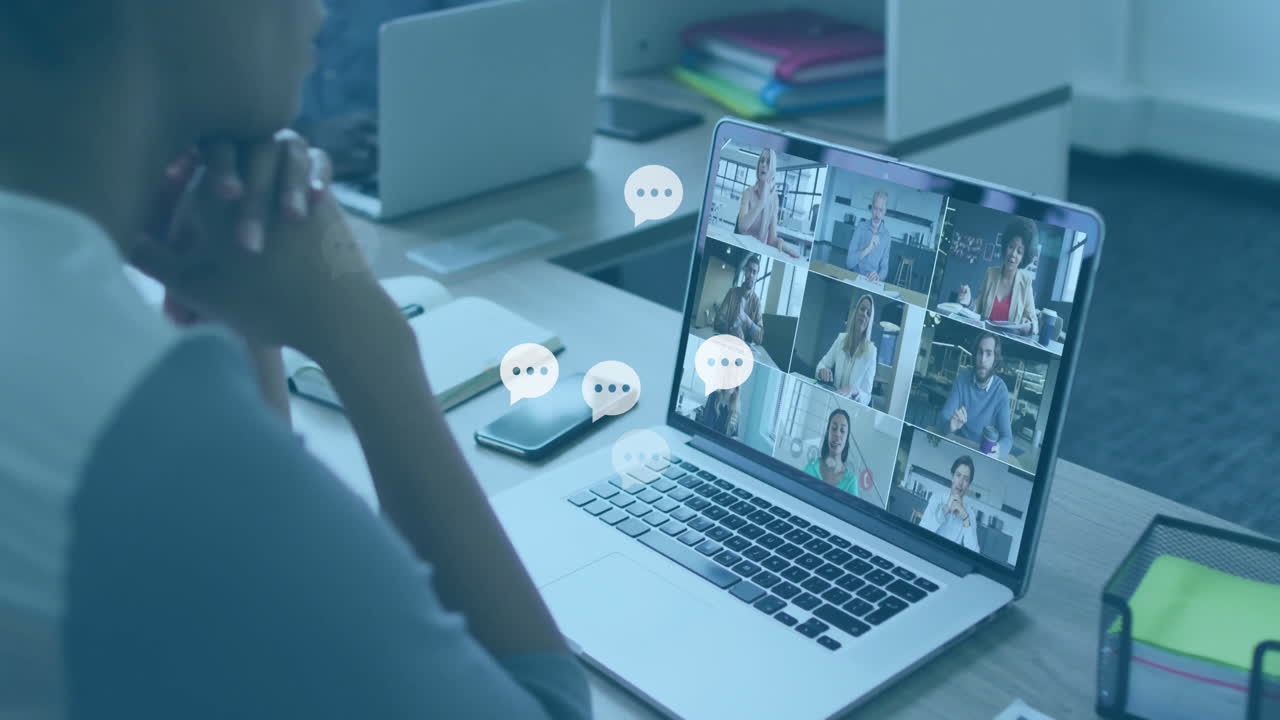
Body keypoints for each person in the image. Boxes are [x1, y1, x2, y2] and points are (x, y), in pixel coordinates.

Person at [0, 2, 587, 718]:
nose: (321, 6)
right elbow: (544, 708)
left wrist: (239, 319)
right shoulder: (139, 428)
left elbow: (253, 636)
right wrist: (368, 339)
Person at [296, 0, 476, 178]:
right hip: (299, 170)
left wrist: (407, 128)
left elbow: (479, 61)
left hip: (415, 164)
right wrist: (307, 137)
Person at [937, 332, 1014, 458]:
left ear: (995, 360)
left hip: (982, 453)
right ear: (975, 355)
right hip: (957, 446)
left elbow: (1007, 439)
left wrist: (998, 449)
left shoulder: (1001, 390)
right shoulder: (962, 378)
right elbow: (942, 419)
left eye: (988, 354)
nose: (983, 360)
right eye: (980, 352)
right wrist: (950, 426)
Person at [959, 217, 1040, 336]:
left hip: (1007, 341)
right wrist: (968, 302)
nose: (1013, 254)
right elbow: (977, 308)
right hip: (983, 335)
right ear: (1005, 247)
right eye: (1011, 246)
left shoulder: (1026, 282)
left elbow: (1035, 323)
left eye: (1019, 252)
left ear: (1024, 257)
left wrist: (1029, 325)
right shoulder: (991, 273)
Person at [735, 148, 800, 258]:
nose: (764, 164)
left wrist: (782, 244)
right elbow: (741, 227)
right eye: (762, 160)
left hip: (755, 254)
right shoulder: (748, 193)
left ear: (772, 169)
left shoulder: (774, 200)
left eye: (768, 162)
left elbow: (771, 240)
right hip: (740, 248)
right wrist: (762, 201)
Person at [815, 294, 877, 405]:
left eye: (868, 313)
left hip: (851, 405)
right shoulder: (841, 339)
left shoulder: (871, 351)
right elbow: (822, 364)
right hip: (832, 399)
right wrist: (822, 371)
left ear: (869, 321)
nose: (864, 314)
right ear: (855, 312)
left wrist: (854, 390)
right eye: (862, 309)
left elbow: (867, 396)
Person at [923, 456, 982, 551]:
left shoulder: (969, 514)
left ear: (968, 485)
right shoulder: (937, 499)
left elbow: (974, 552)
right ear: (952, 477)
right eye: (958, 475)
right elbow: (922, 531)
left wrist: (965, 519)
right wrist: (944, 510)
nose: (960, 483)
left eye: (965, 479)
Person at [803, 409, 861, 496]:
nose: (837, 434)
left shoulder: (850, 481)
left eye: (842, 431)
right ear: (828, 433)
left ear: (846, 438)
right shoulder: (811, 468)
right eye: (834, 428)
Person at [712, 253, 765, 344]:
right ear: (745, 271)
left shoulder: (757, 302)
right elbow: (717, 321)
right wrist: (730, 330)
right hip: (727, 341)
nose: (751, 275)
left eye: (754, 272)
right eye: (749, 270)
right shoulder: (732, 293)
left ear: (756, 276)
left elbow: (760, 338)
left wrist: (747, 320)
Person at [845, 190, 891, 282]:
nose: (877, 214)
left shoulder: (887, 237)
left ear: (885, 211)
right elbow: (849, 263)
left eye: (881, 210)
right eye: (875, 208)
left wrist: (878, 276)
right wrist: (868, 248)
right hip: (855, 276)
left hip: (873, 281)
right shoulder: (860, 227)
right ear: (871, 208)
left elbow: (884, 267)